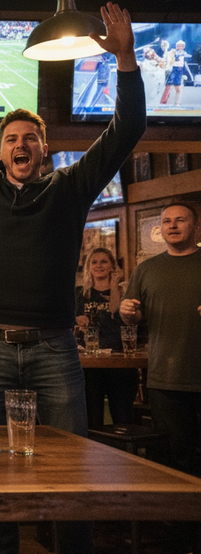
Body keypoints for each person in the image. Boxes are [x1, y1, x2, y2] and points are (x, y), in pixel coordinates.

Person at [0, 5, 145, 554]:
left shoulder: (70, 188)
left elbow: (127, 130)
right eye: (11, 140)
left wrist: (124, 59)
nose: (21, 145)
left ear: (44, 149)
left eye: (30, 138)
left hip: (54, 351)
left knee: (72, 475)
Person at [120, 203, 201, 477]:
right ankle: (176, 519)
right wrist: (127, 312)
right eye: (167, 221)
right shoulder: (146, 269)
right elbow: (132, 316)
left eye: (180, 220)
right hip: (164, 377)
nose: (173, 226)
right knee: (172, 455)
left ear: (196, 226)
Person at [75, 247, 136, 428]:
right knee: (92, 418)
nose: (99, 265)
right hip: (91, 361)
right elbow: (74, 320)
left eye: (104, 262)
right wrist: (78, 320)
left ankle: (123, 454)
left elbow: (114, 313)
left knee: (122, 417)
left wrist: (115, 286)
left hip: (119, 359)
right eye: (94, 262)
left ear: (112, 266)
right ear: (88, 267)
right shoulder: (80, 293)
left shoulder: (125, 290)